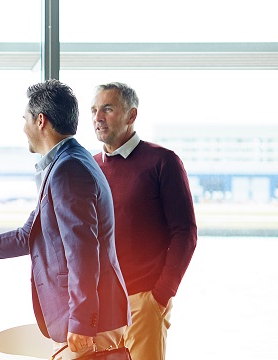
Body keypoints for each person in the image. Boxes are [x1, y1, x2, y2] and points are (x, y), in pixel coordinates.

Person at [0, 80, 130, 360]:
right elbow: (28, 236)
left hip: (90, 326)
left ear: (40, 120)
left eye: (24, 119)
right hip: (85, 322)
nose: (23, 127)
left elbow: (82, 253)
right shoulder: (67, 164)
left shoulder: (68, 170)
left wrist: (82, 322)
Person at [91, 82, 197, 360]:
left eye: (107, 109)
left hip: (143, 301)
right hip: (98, 305)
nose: (98, 117)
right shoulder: (89, 167)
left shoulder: (163, 161)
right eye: (94, 110)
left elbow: (185, 233)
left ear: (131, 115)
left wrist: (160, 296)